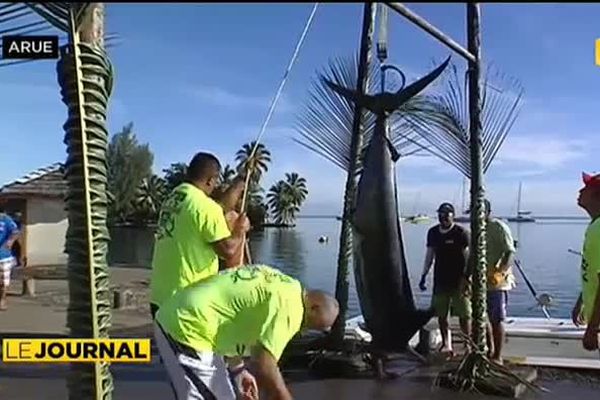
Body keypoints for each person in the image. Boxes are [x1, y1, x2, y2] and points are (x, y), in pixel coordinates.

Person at [154, 264, 339, 400]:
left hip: (191, 321)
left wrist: (238, 370)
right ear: (314, 307)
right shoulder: (293, 309)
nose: (304, 330)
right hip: (187, 326)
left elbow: (235, 317)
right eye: (310, 326)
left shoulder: (285, 284)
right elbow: (265, 363)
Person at [149, 152, 250, 319]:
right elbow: (228, 250)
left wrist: (241, 180)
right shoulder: (204, 207)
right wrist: (240, 230)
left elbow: (219, 208)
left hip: (159, 298)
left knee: (165, 344)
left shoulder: (174, 197)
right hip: (184, 301)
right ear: (211, 180)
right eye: (216, 181)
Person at [419, 202, 471, 354]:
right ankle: (446, 344)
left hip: (459, 281)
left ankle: (467, 344)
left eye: (447, 215)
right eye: (441, 215)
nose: (443, 218)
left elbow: (469, 257)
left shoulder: (461, 233)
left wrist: (468, 278)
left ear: (453, 216)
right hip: (440, 280)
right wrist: (423, 275)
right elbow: (430, 255)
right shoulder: (433, 233)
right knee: (441, 314)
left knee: (464, 314)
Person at [483, 199, 516, 365]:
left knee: (496, 319)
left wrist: (500, 272)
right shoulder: (477, 229)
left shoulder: (499, 227)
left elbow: (510, 253)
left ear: (488, 211)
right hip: (481, 280)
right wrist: (466, 277)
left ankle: (498, 356)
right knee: (483, 318)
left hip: (498, 282)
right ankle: (489, 350)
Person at [572, 172, 600, 354]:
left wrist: (593, 328)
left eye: (587, 187)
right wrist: (581, 300)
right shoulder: (594, 226)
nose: (581, 190)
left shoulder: (598, 229)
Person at [0, 207, 20, 310]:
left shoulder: (5, 219)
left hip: (4, 256)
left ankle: (3, 300)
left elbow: (15, 232)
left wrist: (10, 241)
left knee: (4, 281)